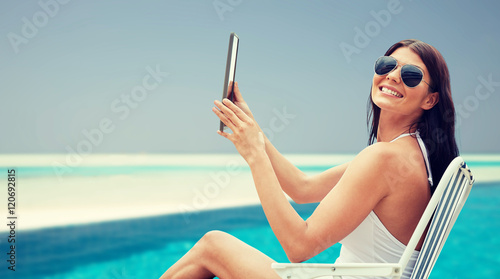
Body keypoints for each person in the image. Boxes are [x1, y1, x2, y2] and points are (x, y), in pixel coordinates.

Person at [160, 39, 458, 279]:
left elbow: (299, 246)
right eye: (387, 65)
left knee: (213, 246)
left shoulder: (385, 158)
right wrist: (255, 132)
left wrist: (254, 155)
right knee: (214, 246)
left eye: (411, 75)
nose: (393, 76)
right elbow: (302, 188)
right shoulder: (408, 153)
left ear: (430, 99)